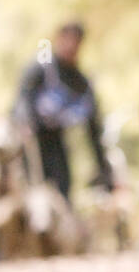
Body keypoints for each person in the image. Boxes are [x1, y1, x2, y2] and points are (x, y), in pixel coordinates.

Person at [11, 21, 115, 203]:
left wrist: (104, 170)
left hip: (55, 143)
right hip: (27, 143)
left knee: (61, 193)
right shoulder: (42, 67)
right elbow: (23, 98)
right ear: (58, 39)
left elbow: (94, 132)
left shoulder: (81, 84)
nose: (70, 47)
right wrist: (24, 124)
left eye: (75, 43)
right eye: (66, 40)